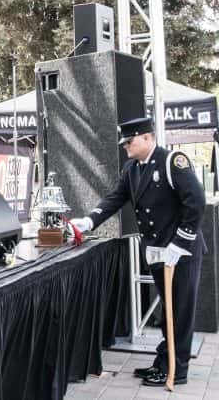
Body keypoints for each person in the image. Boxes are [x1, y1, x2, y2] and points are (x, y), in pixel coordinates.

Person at [71, 117, 206, 387]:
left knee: (180, 312)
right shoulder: (132, 169)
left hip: (181, 251)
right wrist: (90, 220)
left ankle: (176, 372)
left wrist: (179, 244)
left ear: (147, 137)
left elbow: (196, 202)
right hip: (157, 251)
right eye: (124, 142)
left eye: (129, 141)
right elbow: (115, 197)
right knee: (168, 311)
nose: (125, 147)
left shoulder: (172, 162)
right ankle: (163, 362)